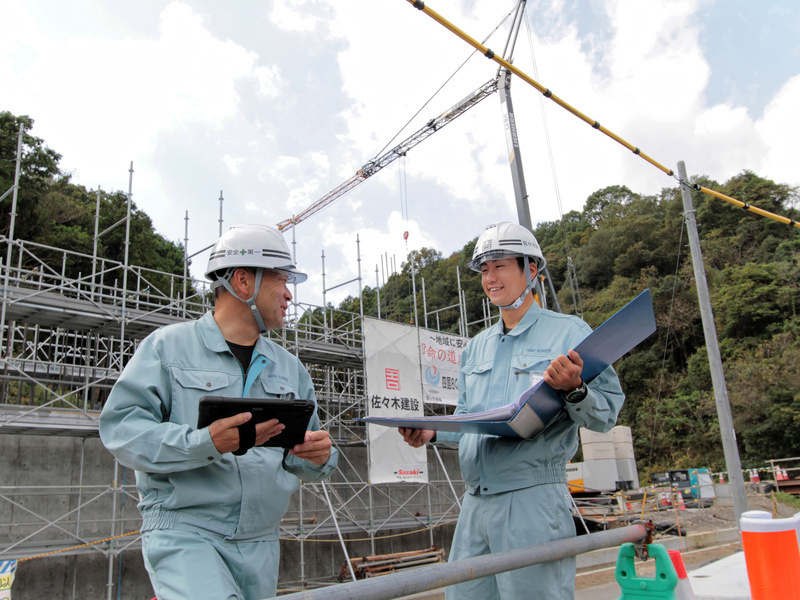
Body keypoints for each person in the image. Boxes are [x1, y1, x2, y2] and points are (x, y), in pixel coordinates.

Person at [99, 224, 338, 600]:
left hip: (262, 542)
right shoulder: (168, 348)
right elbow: (122, 430)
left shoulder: (291, 369)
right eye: (282, 280)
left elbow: (305, 456)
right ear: (243, 282)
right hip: (186, 530)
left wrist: (319, 456)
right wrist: (203, 443)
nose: (290, 294)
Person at [400, 221, 624, 599]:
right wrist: (432, 432)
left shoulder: (569, 334)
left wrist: (575, 389)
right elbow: (471, 420)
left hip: (532, 500)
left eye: (500, 265)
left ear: (531, 269)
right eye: (484, 269)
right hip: (475, 504)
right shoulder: (476, 348)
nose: (491, 278)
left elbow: (606, 414)